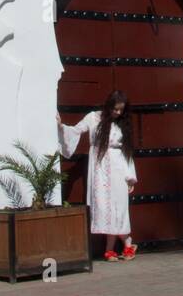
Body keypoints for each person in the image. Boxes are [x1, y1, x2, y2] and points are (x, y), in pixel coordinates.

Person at [56, 90, 138, 262]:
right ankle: (115, 247)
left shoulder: (122, 124)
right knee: (104, 207)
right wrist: (61, 126)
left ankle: (127, 243)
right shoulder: (93, 118)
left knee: (119, 207)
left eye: (120, 110)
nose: (117, 113)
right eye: (115, 109)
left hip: (118, 169)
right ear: (109, 106)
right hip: (100, 170)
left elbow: (126, 152)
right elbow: (76, 130)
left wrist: (130, 177)